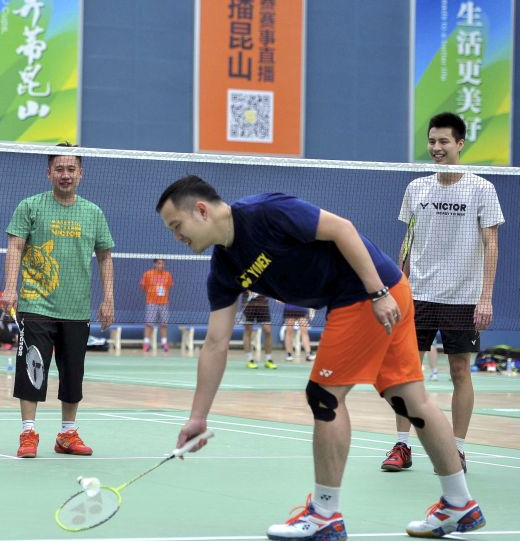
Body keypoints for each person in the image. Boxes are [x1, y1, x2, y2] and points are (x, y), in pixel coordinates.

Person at [156, 175, 484, 540]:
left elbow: (342, 229)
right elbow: (216, 343)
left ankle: (325, 514)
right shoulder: (224, 269)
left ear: (201, 210)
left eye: (177, 226)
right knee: (410, 399)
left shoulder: (264, 212)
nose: (177, 237)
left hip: (366, 292)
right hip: (385, 291)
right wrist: (197, 418)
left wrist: (376, 293)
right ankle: (460, 504)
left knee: (325, 395)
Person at [382, 112, 504, 474]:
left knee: (460, 371)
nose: (436, 148)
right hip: (418, 293)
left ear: (460, 144)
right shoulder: (416, 188)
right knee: (406, 372)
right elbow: (408, 241)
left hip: (463, 297)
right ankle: (402, 445)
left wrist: (486, 297)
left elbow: (491, 244)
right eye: (432, 141)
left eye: (443, 141)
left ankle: (458, 449)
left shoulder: (482, 189)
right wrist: (397, 287)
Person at [2, 143, 114, 459]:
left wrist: (108, 298)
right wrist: (10, 287)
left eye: (71, 169)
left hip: (76, 308)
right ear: (49, 172)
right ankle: (28, 432)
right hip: (36, 304)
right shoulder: (30, 207)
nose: (65, 175)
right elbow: (14, 248)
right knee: (32, 368)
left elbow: (105, 257)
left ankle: (67, 433)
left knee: (73, 373)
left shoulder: (93, 213)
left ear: (80, 173)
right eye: (59, 169)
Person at [139, 258, 173, 353]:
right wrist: (151, 294)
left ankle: (164, 343)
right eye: (159, 263)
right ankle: (146, 343)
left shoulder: (167, 275)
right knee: (149, 324)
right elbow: (143, 286)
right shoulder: (148, 274)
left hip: (164, 303)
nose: (161, 265)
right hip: (151, 303)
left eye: (162, 263)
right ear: (154, 264)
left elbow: (169, 286)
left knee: (164, 324)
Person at [240, 291, 276, 369]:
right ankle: (250, 359)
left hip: (263, 304)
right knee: (248, 331)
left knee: (268, 330)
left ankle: (268, 359)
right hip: (248, 304)